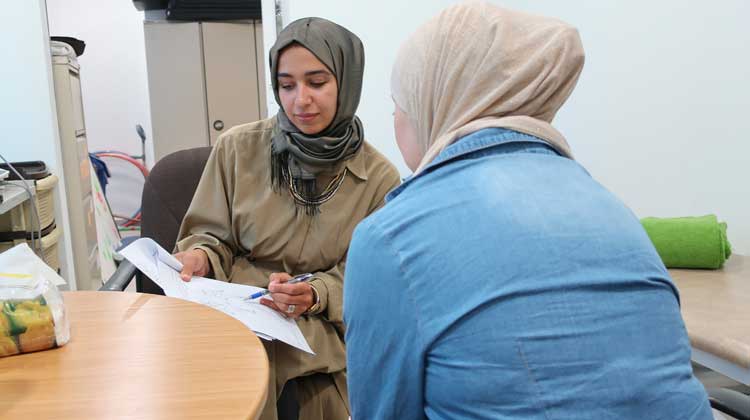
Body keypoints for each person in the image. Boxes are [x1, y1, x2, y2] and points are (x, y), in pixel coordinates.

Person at [344, 3, 712, 419]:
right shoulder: (607, 204)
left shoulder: (392, 238)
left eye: (397, 103)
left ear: (435, 101)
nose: (394, 118)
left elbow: (382, 411)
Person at [174, 17, 400, 420]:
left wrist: (315, 292)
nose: (300, 100)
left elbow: (371, 278)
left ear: (346, 82)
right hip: (237, 316)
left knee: (326, 404)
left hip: (318, 332)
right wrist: (201, 256)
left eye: (317, 82)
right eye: (286, 84)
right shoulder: (237, 150)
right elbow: (209, 234)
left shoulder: (379, 177)